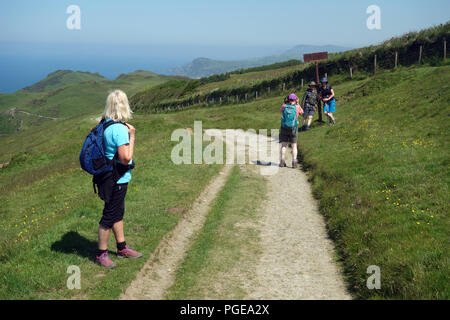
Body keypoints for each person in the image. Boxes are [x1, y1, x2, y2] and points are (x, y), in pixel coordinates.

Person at [95, 89, 142, 269]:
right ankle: (101, 254)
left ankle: (122, 247)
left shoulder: (105, 124)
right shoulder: (120, 130)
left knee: (117, 213)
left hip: (106, 177)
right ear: (124, 106)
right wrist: (132, 136)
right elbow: (125, 158)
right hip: (117, 179)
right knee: (109, 216)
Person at [279, 93, 303, 168]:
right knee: (294, 146)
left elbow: (281, 111)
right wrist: (298, 103)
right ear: (295, 100)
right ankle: (294, 162)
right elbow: (302, 113)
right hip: (293, 129)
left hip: (284, 128)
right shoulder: (297, 107)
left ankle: (282, 161)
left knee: (283, 145)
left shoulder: (284, 106)